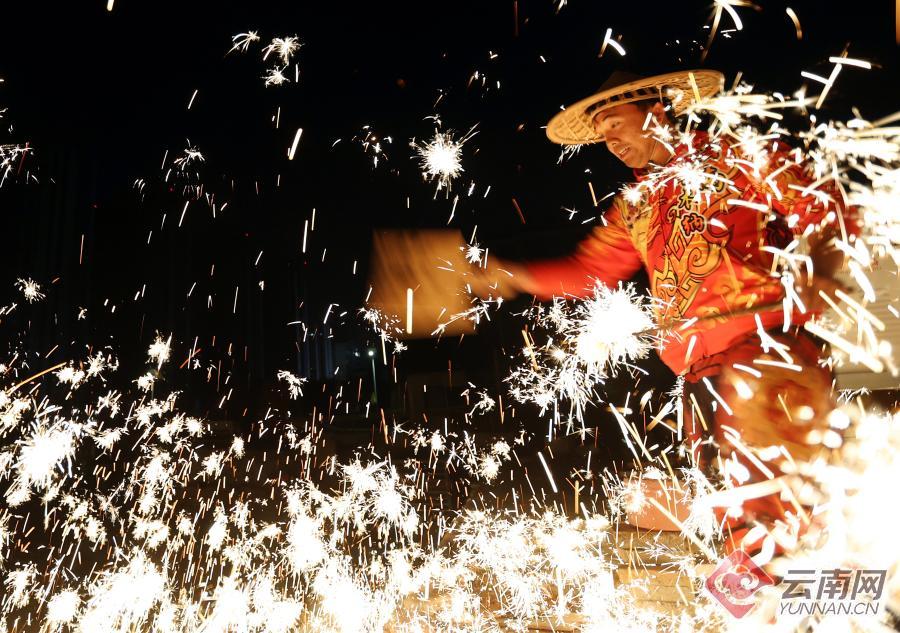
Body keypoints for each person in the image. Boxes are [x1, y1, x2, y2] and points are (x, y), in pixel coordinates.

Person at [483, 70, 859, 556]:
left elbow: (831, 207)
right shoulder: (634, 204)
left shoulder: (737, 157)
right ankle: (764, 587)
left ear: (656, 113)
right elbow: (590, 271)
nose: (610, 141)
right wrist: (508, 275)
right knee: (729, 504)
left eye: (615, 123)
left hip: (764, 353)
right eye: (602, 133)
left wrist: (822, 268)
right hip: (697, 373)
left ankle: (813, 581)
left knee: (780, 500)